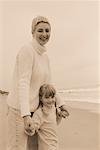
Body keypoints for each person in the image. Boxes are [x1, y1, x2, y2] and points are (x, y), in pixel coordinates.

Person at [7, 16, 69, 150]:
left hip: (35, 111)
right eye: (40, 30)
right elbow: (23, 83)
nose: (44, 34)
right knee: (16, 147)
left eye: (47, 30)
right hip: (19, 110)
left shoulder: (45, 57)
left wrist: (61, 104)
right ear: (33, 32)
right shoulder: (27, 50)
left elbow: (49, 83)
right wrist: (25, 115)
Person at [25, 84, 67, 150]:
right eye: (47, 97)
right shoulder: (39, 113)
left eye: (52, 97)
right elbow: (34, 128)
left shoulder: (53, 109)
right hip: (46, 146)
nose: (50, 100)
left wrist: (59, 116)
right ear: (41, 98)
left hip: (54, 144)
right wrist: (31, 129)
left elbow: (55, 124)